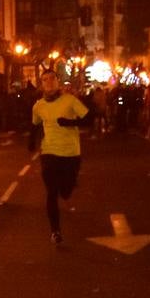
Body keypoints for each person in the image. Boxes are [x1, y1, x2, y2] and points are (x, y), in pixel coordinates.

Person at [29, 71, 88, 245]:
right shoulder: (38, 106)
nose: (48, 82)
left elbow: (88, 118)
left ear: (58, 81)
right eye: (44, 80)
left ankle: (68, 188)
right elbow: (35, 125)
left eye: (52, 79)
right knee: (51, 192)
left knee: (66, 191)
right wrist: (31, 142)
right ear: (41, 84)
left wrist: (70, 123)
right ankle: (55, 231)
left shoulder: (70, 100)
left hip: (71, 153)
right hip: (49, 153)